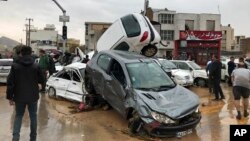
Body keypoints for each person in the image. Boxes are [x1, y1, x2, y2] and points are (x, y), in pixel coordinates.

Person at [6, 46, 44, 141]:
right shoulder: (36, 66)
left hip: (19, 96)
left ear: (21, 54)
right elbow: (42, 80)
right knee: (33, 116)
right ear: (31, 53)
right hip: (33, 96)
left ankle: (15, 138)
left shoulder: (15, 66)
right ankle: (33, 138)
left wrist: (10, 97)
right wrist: (40, 84)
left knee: (18, 116)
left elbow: (10, 83)